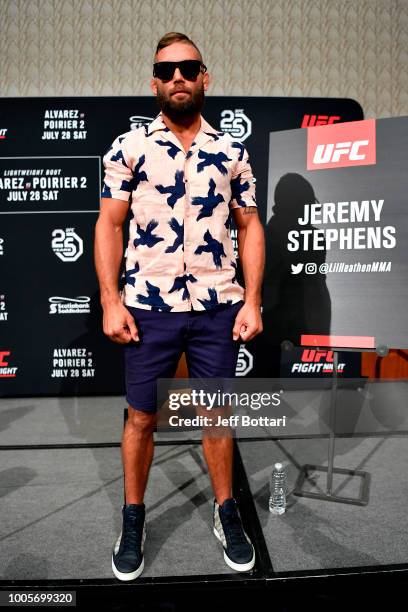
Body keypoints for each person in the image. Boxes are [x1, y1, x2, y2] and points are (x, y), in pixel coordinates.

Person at [94, 31, 265, 581]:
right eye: (167, 71)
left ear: (204, 77)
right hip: (149, 308)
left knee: (215, 414)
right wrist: (109, 300)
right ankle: (134, 517)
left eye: (188, 69)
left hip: (217, 307)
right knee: (142, 417)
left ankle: (226, 511)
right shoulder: (128, 148)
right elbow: (110, 225)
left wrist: (253, 300)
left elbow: (249, 225)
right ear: (154, 83)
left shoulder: (231, 151)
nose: (178, 79)